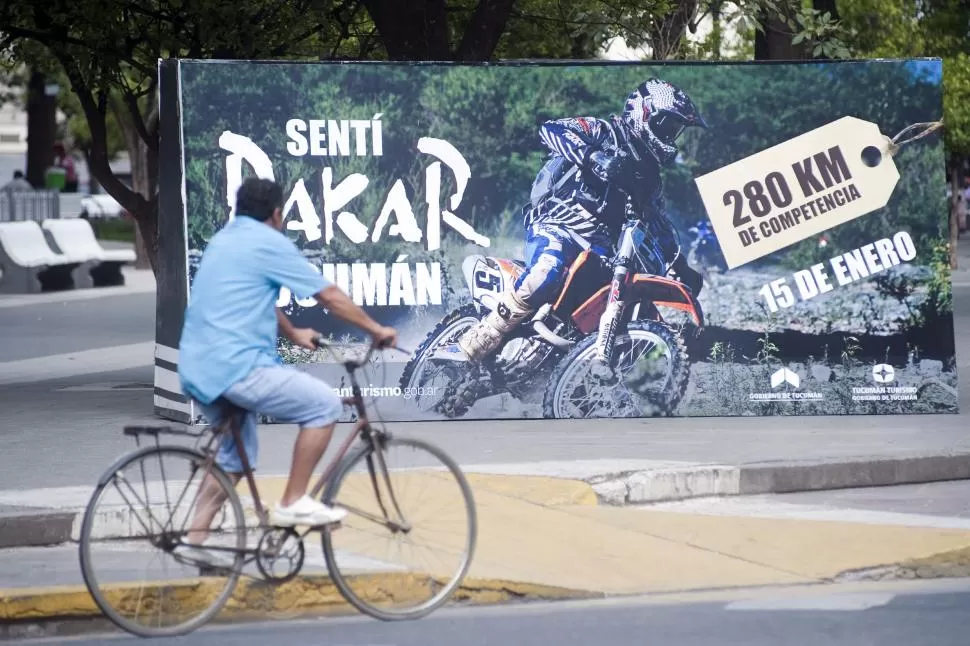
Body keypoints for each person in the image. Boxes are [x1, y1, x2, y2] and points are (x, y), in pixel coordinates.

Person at [176, 177, 397, 565]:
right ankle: (294, 501)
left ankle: (195, 543)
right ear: (277, 214)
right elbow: (327, 295)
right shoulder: (269, 242)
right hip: (238, 367)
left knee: (231, 459)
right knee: (324, 406)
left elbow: (254, 293)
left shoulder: (224, 240)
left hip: (199, 368)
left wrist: (292, 332)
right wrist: (376, 330)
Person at [450, 78, 708, 362]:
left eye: (676, 130)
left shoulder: (650, 177)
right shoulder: (605, 131)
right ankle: (483, 334)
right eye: (668, 126)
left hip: (598, 248)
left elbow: (657, 220)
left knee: (620, 300)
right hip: (557, 222)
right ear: (645, 113)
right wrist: (594, 156)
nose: (671, 136)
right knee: (548, 270)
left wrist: (681, 266)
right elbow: (553, 129)